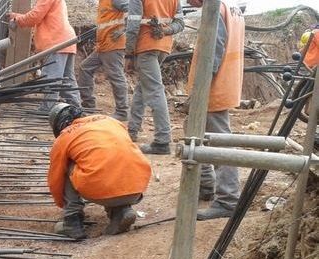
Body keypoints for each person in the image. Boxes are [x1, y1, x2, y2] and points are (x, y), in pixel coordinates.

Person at [47, 103, 151, 239]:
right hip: (137, 186)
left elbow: (56, 178)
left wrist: (63, 205)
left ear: (59, 126)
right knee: (111, 159)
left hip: (103, 189)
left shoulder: (65, 136)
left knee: (66, 164)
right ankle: (121, 210)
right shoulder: (109, 121)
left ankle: (72, 223)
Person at [186, 0, 245, 220]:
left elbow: (214, 49)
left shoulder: (216, 8)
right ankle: (206, 186)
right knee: (194, 133)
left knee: (220, 141)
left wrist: (200, 90)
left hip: (213, 87)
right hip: (224, 82)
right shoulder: (230, 7)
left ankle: (228, 199)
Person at [125, 0, 184, 154]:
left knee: (154, 90)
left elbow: (133, 24)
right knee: (143, 87)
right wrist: (165, 31)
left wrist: (129, 53)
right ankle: (132, 129)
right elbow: (180, 23)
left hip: (146, 46)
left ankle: (162, 141)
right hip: (163, 48)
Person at [8, 0, 81, 111]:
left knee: (52, 78)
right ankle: (75, 108)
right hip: (66, 40)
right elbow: (39, 14)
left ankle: (48, 108)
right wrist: (17, 16)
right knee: (67, 79)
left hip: (56, 42)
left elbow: (35, 17)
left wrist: (17, 19)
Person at [78, 0, 130, 121]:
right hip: (103, 46)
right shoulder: (103, 2)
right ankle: (88, 104)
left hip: (113, 45)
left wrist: (123, 30)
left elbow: (136, 11)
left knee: (116, 77)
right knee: (84, 68)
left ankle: (122, 111)